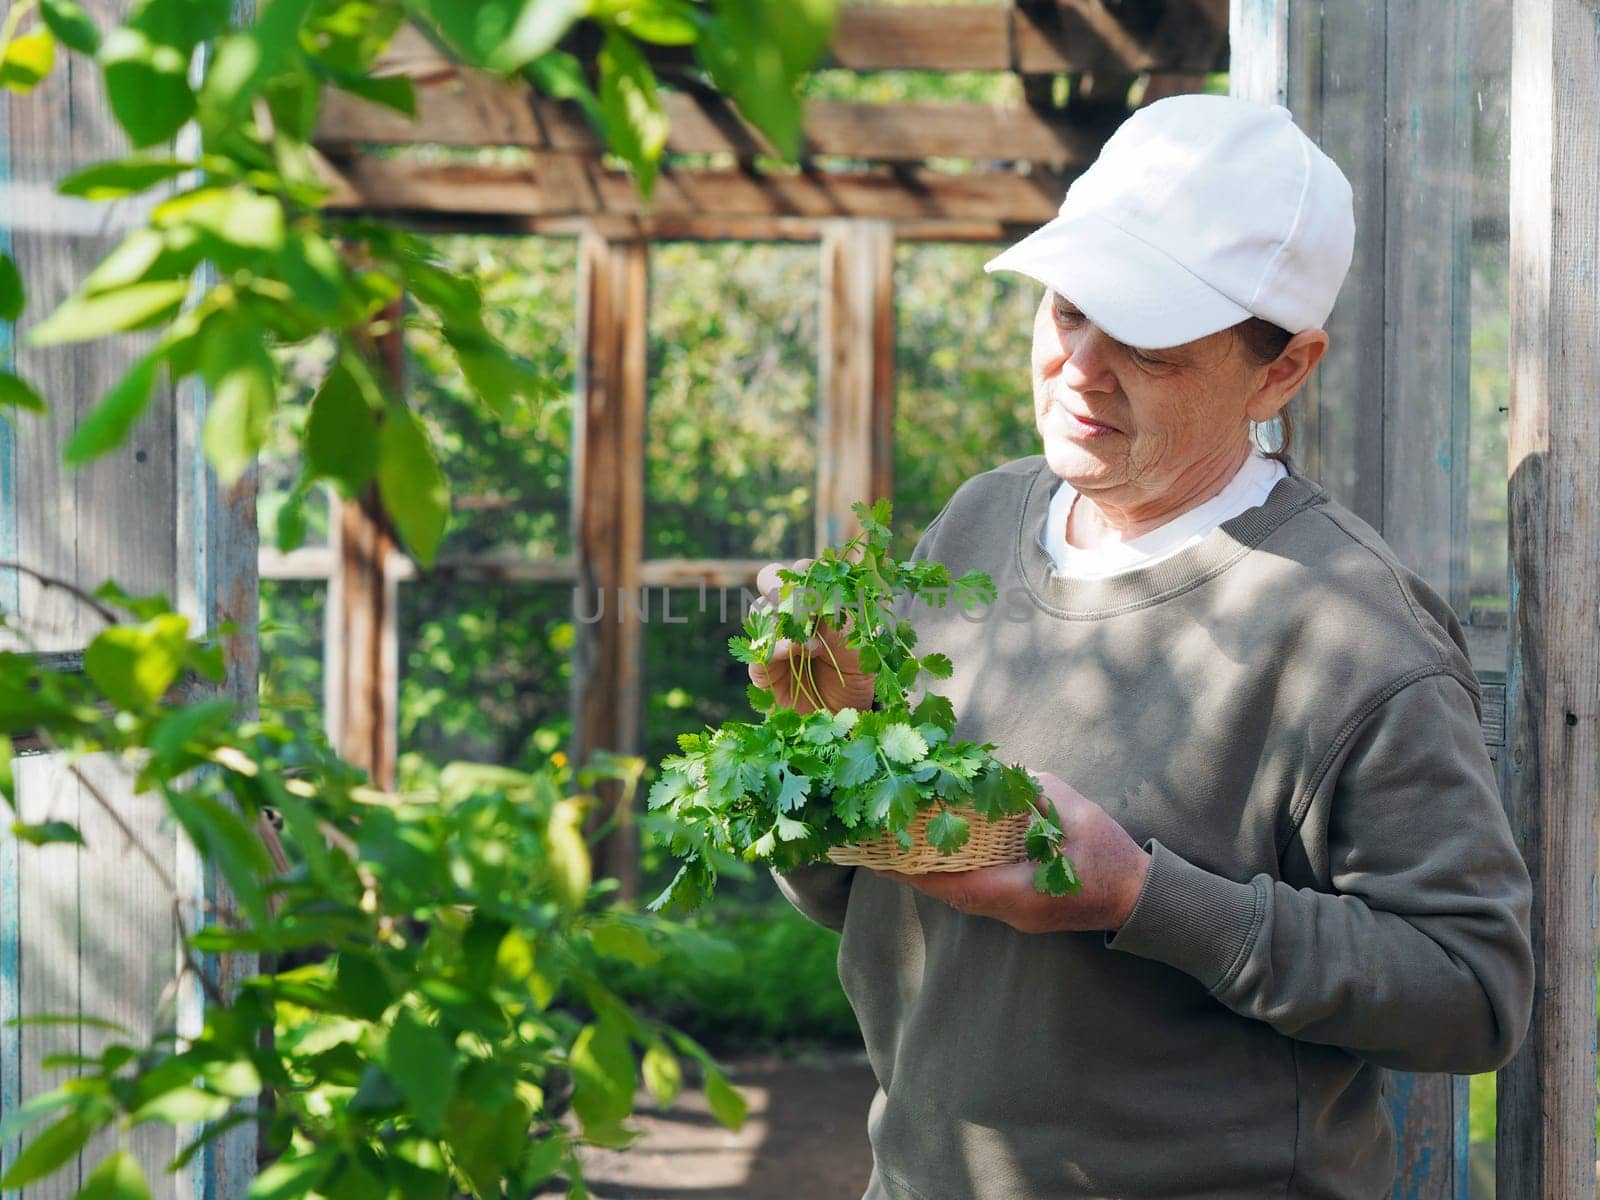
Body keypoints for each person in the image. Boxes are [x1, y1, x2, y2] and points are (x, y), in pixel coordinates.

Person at [753, 94, 1534, 1200]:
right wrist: (823, 754)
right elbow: (865, 908)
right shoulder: (980, 522)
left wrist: (1137, 899)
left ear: (1282, 371)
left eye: (1149, 343)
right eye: (1067, 310)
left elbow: (1471, 995)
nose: (1079, 366)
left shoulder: (1348, 633)